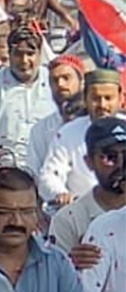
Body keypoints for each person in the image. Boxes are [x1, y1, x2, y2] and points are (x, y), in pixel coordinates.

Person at [0, 26, 54, 165]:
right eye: (18, 54)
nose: (24, 60)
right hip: (1, 163)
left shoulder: (54, 82)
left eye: (30, 54)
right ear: (10, 54)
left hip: (46, 164)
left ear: (39, 55)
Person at [47, 116, 126, 267]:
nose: (120, 164)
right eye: (110, 156)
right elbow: (54, 276)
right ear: (89, 162)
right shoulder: (69, 219)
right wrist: (69, 265)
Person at [39, 69, 125, 205]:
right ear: (85, 98)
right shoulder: (68, 132)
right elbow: (49, 176)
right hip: (83, 211)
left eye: (108, 98)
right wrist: (60, 193)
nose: (102, 105)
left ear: (120, 98)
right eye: (96, 99)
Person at [24, 55, 86, 181]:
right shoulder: (40, 130)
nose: (60, 84)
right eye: (54, 80)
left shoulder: (96, 122)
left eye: (66, 78)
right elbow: (35, 174)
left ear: (81, 81)